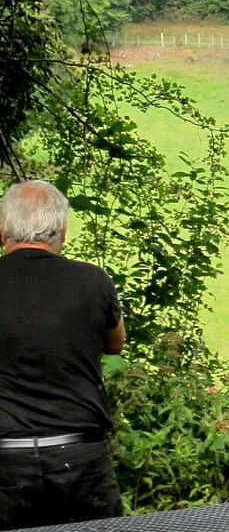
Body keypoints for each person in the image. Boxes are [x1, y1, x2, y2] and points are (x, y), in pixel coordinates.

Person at [0, 180, 125, 529]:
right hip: (79, 458)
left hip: (5, 461)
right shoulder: (92, 281)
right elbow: (115, 343)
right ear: (63, 232)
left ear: (2, 232)